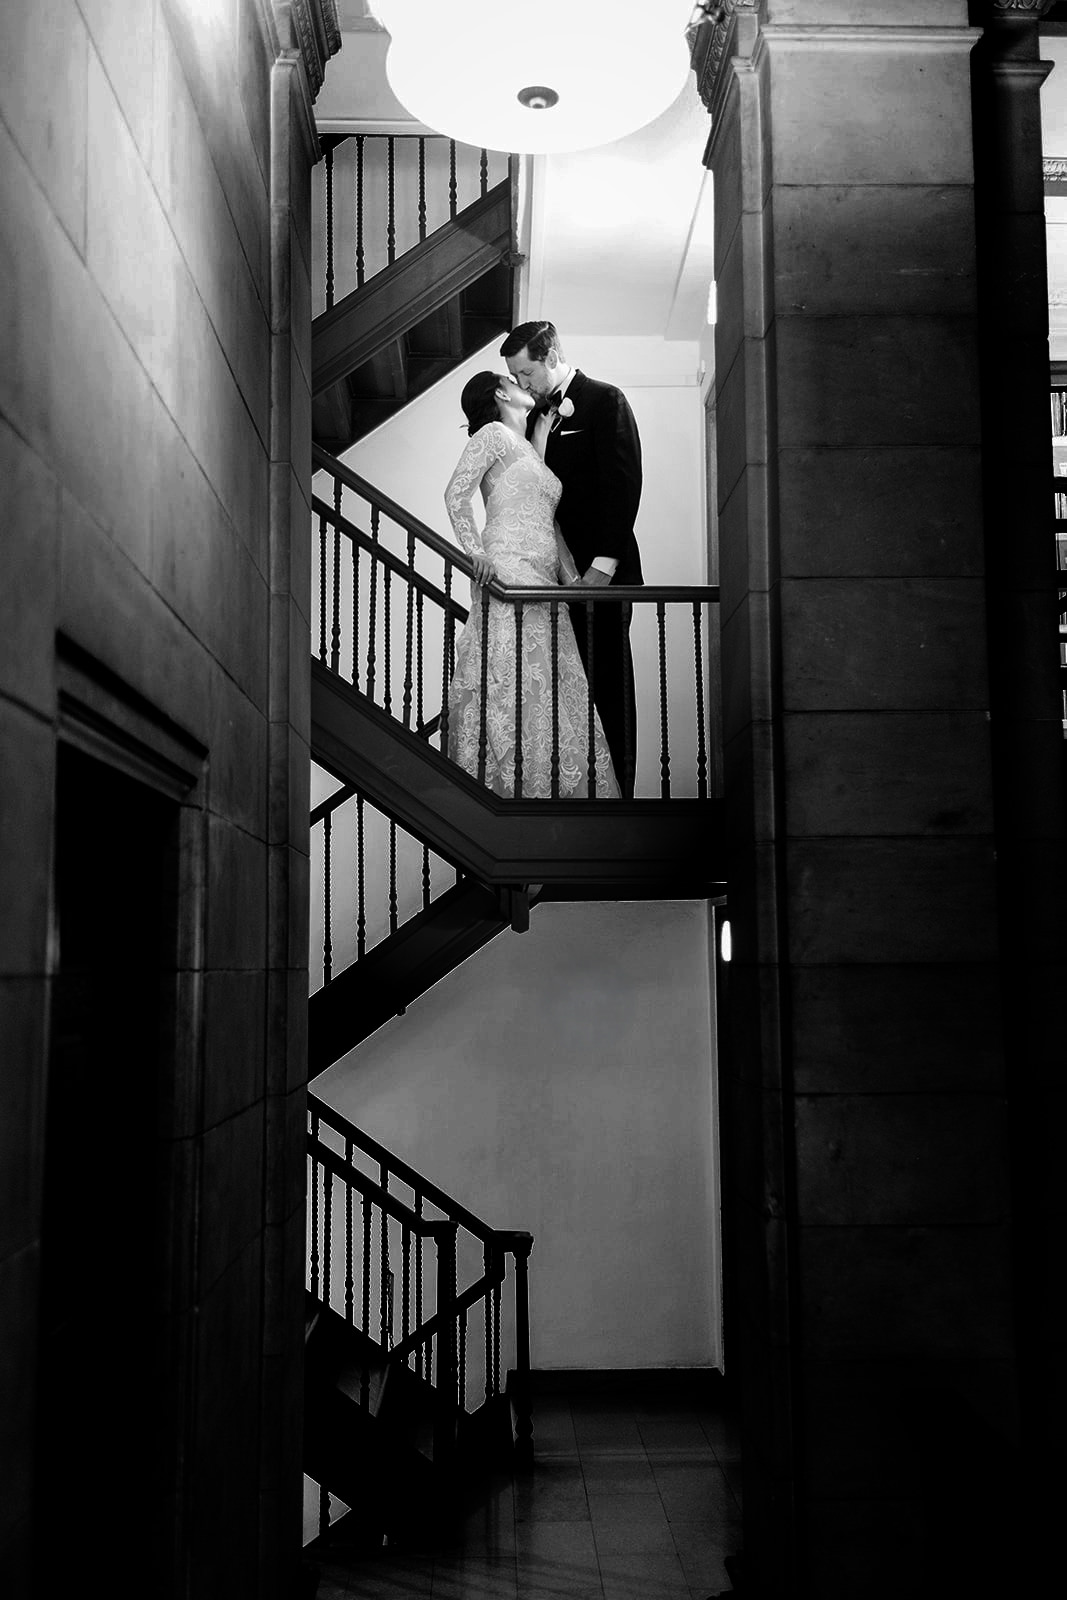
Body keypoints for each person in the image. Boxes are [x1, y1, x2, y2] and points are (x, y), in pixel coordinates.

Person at [443, 371, 619, 799]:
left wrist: (573, 579)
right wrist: (475, 553)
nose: (525, 385)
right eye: (514, 379)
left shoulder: (531, 449)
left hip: (546, 586)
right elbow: (455, 494)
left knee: (552, 691)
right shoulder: (493, 434)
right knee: (513, 684)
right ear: (502, 392)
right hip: (509, 574)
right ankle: (513, 794)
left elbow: (549, 523)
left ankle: (554, 794)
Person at [501, 320, 643, 797]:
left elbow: (623, 486)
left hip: (600, 577)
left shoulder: (605, 401)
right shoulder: (536, 417)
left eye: (526, 373)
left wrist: (601, 570)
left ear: (552, 353)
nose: (522, 384)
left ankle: (621, 799)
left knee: (609, 691)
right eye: (515, 377)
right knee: (569, 698)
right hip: (558, 581)